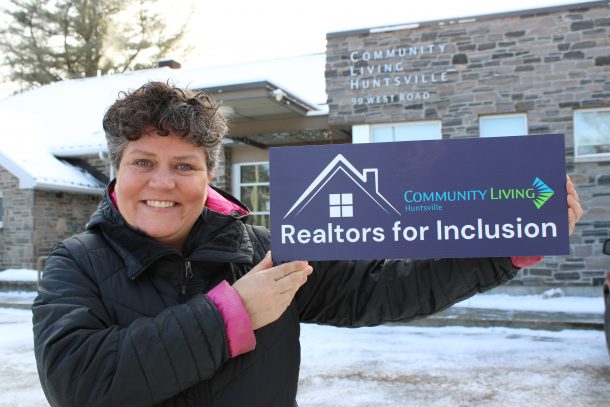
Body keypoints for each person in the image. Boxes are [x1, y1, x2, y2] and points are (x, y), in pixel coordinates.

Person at [32, 81, 583, 407]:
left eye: (184, 165)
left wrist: (502, 245)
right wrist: (234, 312)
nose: (162, 183)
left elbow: (378, 289)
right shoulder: (76, 263)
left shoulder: (262, 251)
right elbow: (82, 382)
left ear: (207, 177)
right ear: (117, 171)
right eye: (143, 163)